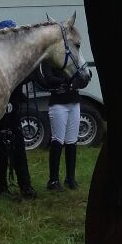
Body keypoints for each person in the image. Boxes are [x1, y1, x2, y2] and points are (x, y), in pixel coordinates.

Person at [0, 20, 37, 199]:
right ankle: (0, 186)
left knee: (19, 147)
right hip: (0, 107)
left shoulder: (18, 55)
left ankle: (25, 185)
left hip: (14, 105)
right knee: (2, 147)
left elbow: (27, 75)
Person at [35, 55, 90, 191]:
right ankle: (53, 180)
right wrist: (69, 80)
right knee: (57, 139)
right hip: (58, 103)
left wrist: (79, 79)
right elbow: (49, 78)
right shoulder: (49, 60)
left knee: (72, 140)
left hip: (74, 102)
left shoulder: (72, 58)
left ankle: (70, 178)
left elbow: (83, 75)